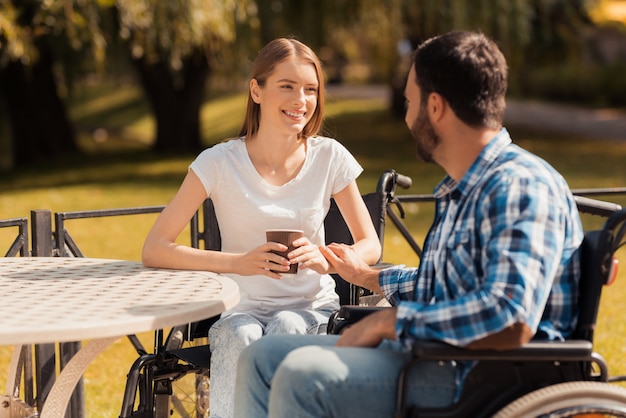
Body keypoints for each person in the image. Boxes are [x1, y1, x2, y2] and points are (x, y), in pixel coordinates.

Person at [233, 30, 584, 417]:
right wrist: (368, 277)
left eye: (409, 102)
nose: (406, 116)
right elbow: (447, 287)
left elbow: (509, 317)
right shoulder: (466, 187)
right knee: (262, 357)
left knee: (303, 375)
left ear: (434, 108)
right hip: (433, 356)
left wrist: (389, 322)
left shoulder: (519, 186)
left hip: (478, 376)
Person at [141, 38, 382, 418]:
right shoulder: (218, 162)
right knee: (241, 335)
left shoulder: (329, 157)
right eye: (286, 86)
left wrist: (325, 259)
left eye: (311, 89)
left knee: (285, 324)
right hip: (240, 311)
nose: (301, 100)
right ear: (257, 89)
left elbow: (370, 246)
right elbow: (155, 247)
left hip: (311, 309)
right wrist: (238, 263)